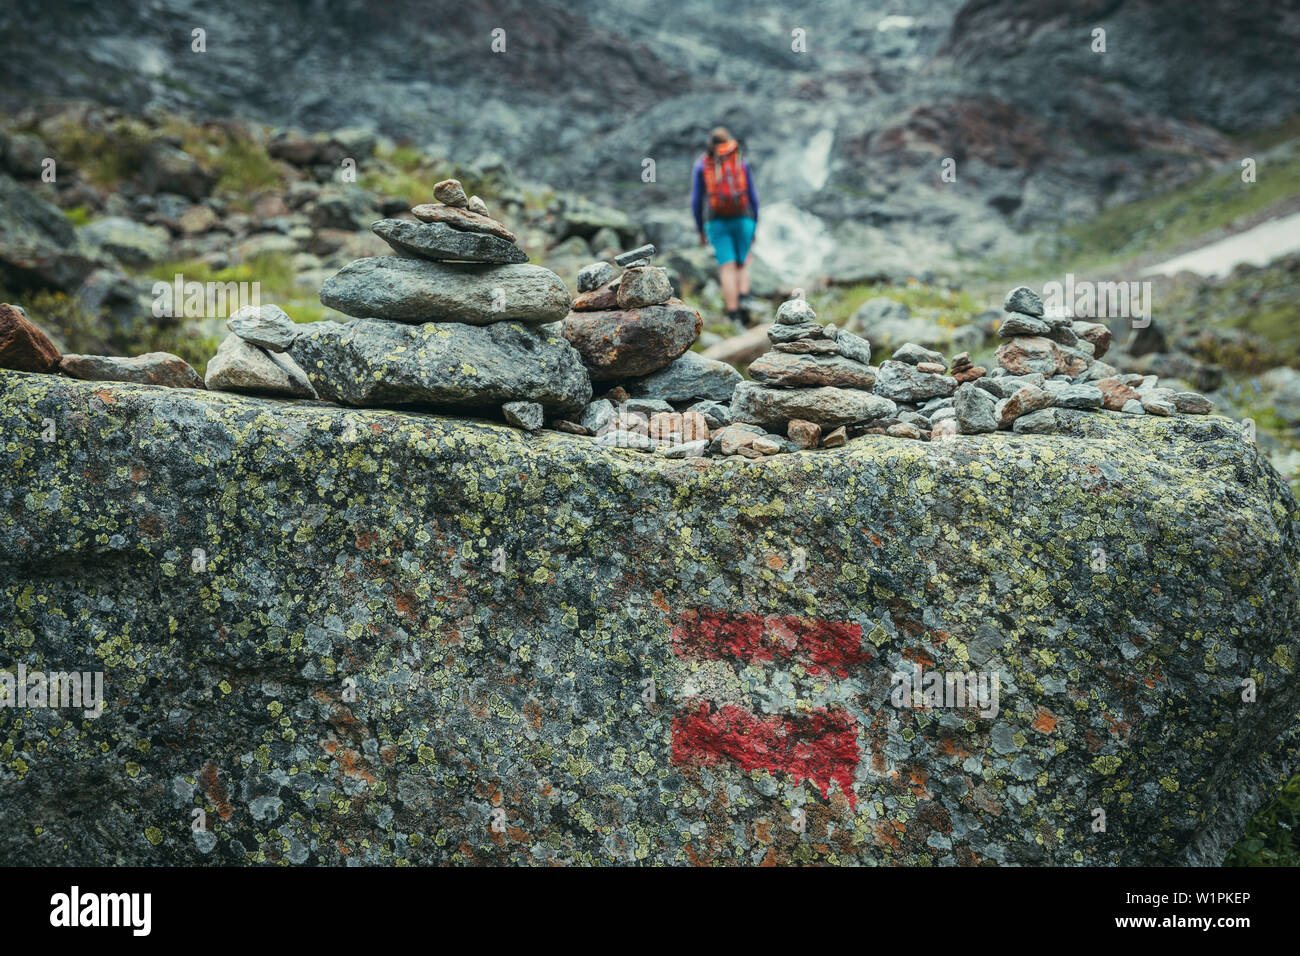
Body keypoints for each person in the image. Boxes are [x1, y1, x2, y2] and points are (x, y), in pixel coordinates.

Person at [691, 127, 759, 326]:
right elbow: (753, 197)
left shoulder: (703, 165)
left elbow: (696, 201)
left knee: (726, 267)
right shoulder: (739, 161)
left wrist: (700, 229)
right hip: (744, 218)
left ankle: (733, 315)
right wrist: (755, 223)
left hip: (717, 220)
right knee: (742, 262)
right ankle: (745, 298)